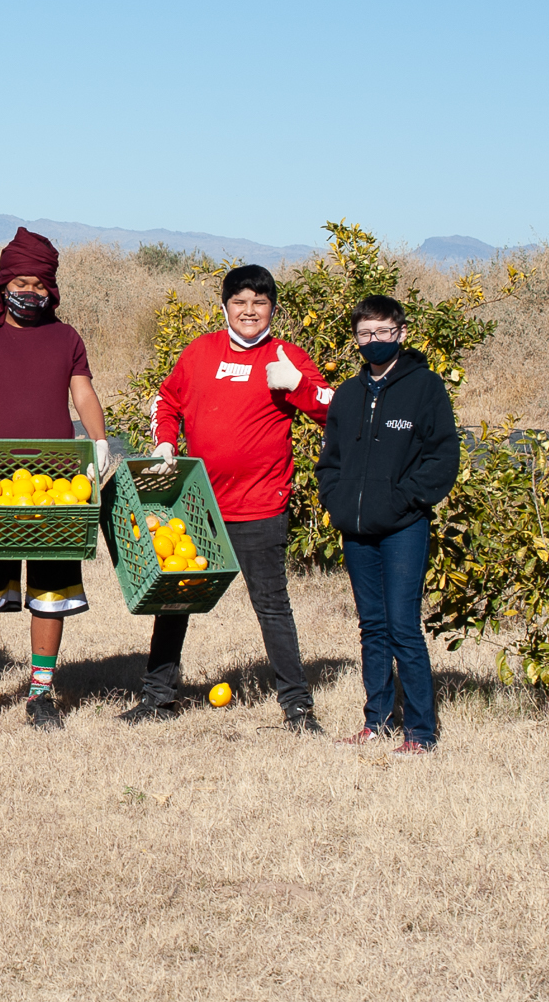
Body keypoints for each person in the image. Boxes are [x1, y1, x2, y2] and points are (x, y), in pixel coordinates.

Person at [129, 263, 332, 731]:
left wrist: (298, 386)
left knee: (272, 604)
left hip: (260, 505)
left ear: (272, 310)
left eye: (259, 303)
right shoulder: (201, 352)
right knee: (174, 598)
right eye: (240, 302)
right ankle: (157, 698)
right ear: (224, 307)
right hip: (198, 503)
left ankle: (297, 707)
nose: (249, 311)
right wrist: (165, 441)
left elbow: (333, 411)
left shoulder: (286, 356)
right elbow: (168, 400)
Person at [0, 228, 111, 732]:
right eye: (22, 281)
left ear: (51, 290)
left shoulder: (67, 338)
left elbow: (83, 396)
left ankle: (41, 693)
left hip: (58, 482)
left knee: (51, 586)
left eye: (40, 284)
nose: (30, 292)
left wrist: (99, 442)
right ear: (2, 283)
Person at [317, 294, 459, 757]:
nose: (373, 341)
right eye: (365, 333)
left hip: (403, 527)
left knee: (403, 627)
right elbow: (330, 460)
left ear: (400, 333)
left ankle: (420, 731)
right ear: (356, 338)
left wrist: (406, 500)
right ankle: (375, 721)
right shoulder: (349, 393)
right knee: (371, 627)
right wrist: (335, 499)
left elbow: (443, 458)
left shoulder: (425, 388)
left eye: (382, 332)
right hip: (356, 529)